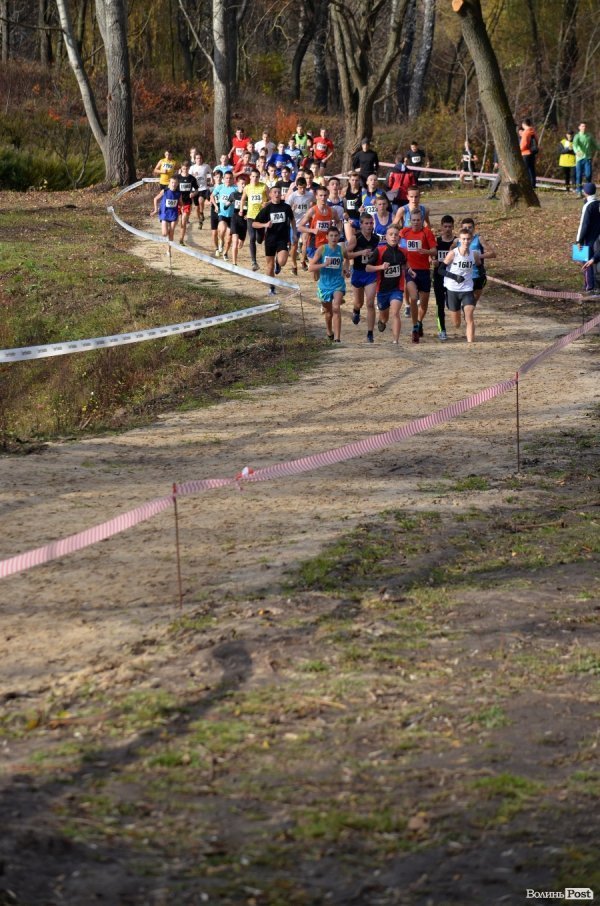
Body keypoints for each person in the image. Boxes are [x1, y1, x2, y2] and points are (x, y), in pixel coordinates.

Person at [365, 224, 409, 345]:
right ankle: (382, 321)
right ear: (386, 237)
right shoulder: (379, 251)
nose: (394, 237)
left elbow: (405, 265)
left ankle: (396, 341)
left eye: (396, 235)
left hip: (397, 288)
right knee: (384, 316)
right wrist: (380, 267)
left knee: (395, 312)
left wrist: (410, 270)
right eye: (391, 234)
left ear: (399, 237)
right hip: (382, 289)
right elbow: (368, 268)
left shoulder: (403, 252)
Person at [400, 210, 437, 342]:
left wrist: (426, 251)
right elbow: (399, 247)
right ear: (410, 221)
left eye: (418, 220)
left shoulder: (427, 233)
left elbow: (434, 251)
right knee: (414, 298)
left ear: (422, 221)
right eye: (413, 220)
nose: (416, 222)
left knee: (424, 304)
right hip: (410, 270)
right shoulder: (404, 232)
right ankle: (415, 327)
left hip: (424, 271)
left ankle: (420, 321)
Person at [252, 185, 296, 294]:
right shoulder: (267, 209)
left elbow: (292, 220)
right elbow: (254, 224)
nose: (277, 194)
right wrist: (265, 225)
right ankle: (272, 288)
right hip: (270, 240)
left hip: (282, 239)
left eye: (279, 192)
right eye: (275, 192)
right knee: (269, 267)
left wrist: (294, 233)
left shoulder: (286, 207)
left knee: (282, 261)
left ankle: (278, 263)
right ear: (270, 194)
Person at [309, 226, 349, 343]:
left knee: (336, 308)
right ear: (327, 237)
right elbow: (311, 267)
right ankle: (329, 331)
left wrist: (346, 270)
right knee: (328, 313)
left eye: (336, 236)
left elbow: (347, 259)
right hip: (324, 285)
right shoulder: (322, 249)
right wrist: (324, 264)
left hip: (338, 283)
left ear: (339, 237)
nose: (334, 238)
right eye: (331, 236)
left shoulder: (341, 249)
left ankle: (337, 339)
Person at [442, 227, 483, 343]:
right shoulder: (453, 254)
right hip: (452, 289)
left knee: (469, 316)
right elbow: (441, 270)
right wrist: (455, 277)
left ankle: (471, 344)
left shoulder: (474, 254)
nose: (466, 241)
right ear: (459, 240)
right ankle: (457, 310)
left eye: (468, 239)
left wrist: (482, 276)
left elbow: (479, 265)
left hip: (467, 289)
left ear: (471, 240)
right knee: (456, 323)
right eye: (463, 239)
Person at [344, 212, 380, 342]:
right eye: (367, 223)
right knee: (359, 302)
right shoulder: (356, 238)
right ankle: (356, 310)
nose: (369, 226)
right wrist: (361, 253)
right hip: (358, 272)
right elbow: (346, 254)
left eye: (371, 223)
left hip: (370, 273)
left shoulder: (376, 239)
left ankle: (370, 333)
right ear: (361, 225)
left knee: (370, 303)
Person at [298, 185, 342, 281]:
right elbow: (300, 227)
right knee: (315, 272)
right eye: (321, 195)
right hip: (313, 243)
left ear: (328, 196)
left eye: (325, 195)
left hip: (327, 244)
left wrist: (338, 232)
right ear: (316, 196)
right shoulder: (312, 211)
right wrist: (312, 230)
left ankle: (324, 286)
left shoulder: (332, 211)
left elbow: (339, 222)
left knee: (326, 269)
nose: (323, 198)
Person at [460, 217, 496, 302]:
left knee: (472, 303)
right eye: (465, 228)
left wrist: (478, 256)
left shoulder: (479, 239)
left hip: (477, 275)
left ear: (474, 228)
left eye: (470, 227)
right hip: (463, 275)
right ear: (461, 229)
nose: (468, 229)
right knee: (466, 303)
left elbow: (492, 254)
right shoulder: (458, 241)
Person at [433, 215, 456, 340]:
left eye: (450, 227)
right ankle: (442, 329)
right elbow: (430, 255)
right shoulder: (436, 242)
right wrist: (433, 261)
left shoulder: (457, 242)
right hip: (439, 276)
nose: (447, 229)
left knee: (451, 304)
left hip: (453, 277)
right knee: (439, 304)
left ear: (453, 227)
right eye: (445, 226)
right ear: (441, 227)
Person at [241, 168, 268, 272]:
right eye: (253, 176)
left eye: (257, 177)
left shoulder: (264, 187)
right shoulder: (247, 188)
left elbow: (271, 198)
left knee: (259, 240)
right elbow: (243, 199)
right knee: (252, 238)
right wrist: (241, 210)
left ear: (259, 177)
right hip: (251, 216)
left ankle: (262, 236)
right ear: (250, 177)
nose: (255, 178)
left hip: (261, 216)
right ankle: (254, 262)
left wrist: (267, 203)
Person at [287, 176, 315, 274]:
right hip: (294, 224)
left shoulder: (310, 195)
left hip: (305, 223)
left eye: (304, 187)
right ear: (297, 187)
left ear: (306, 186)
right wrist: (292, 209)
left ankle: (303, 260)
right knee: (294, 244)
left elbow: (315, 202)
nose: (302, 190)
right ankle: (294, 265)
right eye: (300, 188)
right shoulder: (293, 196)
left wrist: (311, 209)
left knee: (305, 242)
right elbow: (287, 209)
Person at [576, 183, 600, 291]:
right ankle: (594, 283)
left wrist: (578, 240)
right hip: (598, 237)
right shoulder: (598, 203)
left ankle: (589, 286)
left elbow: (583, 224)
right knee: (595, 261)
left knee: (586, 262)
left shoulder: (587, 206)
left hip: (588, 238)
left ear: (585, 192)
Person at [151, 175, 180, 260]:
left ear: (177, 184)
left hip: (174, 214)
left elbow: (181, 203)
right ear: (169, 183)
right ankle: (167, 240)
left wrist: (182, 209)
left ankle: (169, 250)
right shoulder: (165, 191)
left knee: (171, 231)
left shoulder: (179, 193)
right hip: (164, 214)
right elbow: (155, 199)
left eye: (175, 183)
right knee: (164, 233)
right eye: (172, 183)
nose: (174, 184)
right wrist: (155, 210)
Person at [212, 169, 237, 260]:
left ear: (233, 179)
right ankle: (221, 241)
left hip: (232, 215)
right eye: (226, 178)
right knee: (222, 229)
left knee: (229, 238)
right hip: (222, 213)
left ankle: (225, 253)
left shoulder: (235, 188)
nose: (228, 180)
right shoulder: (220, 187)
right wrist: (215, 206)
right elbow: (212, 196)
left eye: (230, 178)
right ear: (223, 178)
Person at [573, 123, 599, 198]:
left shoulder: (589, 136)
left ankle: (588, 191)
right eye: (582, 126)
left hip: (587, 158)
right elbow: (575, 145)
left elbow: (595, 145)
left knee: (588, 175)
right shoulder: (577, 136)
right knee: (579, 176)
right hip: (579, 159)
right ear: (579, 127)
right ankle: (579, 191)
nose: (584, 127)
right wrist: (577, 151)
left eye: (585, 126)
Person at [176, 162, 199, 246]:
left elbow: (197, 190)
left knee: (183, 221)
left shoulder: (192, 178)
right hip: (177, 202)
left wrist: (193, 193)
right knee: (177, 221)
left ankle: (181, 239)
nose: (185, 170)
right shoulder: (177, 177)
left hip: (187, 202)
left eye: (186, 169)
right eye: (183, 169)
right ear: (181, 168)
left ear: (189, 168)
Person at [189, 152, 212, 228]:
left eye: (200, 158)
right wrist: (193, 175)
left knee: (201, 200)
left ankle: (201, 213)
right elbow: (189, 177)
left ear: (202, 159)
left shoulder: (206, 166)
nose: (199, 159)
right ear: (195, 159)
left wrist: (212, 179)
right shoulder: (192, 167)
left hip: (203, 188)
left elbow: (211, 172)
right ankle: (200, 221)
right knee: (197, 207)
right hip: (195, 189)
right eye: (197, 158)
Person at [229, 175, 248, 267]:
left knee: (240, 244)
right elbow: (226, 204)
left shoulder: (248, 196)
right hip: (235, 219)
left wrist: (248, 214)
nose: (243, 185)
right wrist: (227, 204)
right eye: (242, 184)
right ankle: (234, 263)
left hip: (244, 221)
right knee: (235, 241)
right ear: (237, 184)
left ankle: (242, 240)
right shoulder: (234, 194)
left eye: (245, 184)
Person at [520, 118, 539, 188]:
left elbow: (524, 144)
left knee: (525, 170)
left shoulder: (526, 132)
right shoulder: (533, 131)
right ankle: (533, 184)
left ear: (524, 124)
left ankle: (527, 185)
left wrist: (519, 150)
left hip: (525, 153)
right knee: (532, 169)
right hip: (532, 153)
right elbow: (536, 141)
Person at [208, 169, 223, 255]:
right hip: (214, 211)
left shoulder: (224, 187)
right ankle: (217, 248)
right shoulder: (211, 189)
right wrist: (210, 201)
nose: (218, 179)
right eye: (217, 177)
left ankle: (221, 243)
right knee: (214, 233)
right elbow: (206, 200)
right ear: (214, 178)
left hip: (223, 211)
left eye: (220, 177)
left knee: (221, 231)